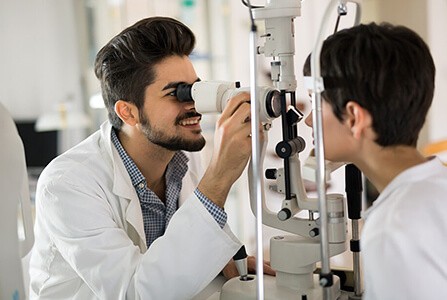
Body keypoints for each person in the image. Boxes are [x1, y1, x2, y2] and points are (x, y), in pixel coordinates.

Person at [29, 16, 273, 299]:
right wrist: (218, 178)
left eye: (195, 88)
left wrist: (220, 260)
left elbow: (185, 244)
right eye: (177, 93)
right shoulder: (67, 185)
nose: (194, 105)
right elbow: (135, 292)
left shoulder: (182, 157)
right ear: (128, 112)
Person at [303, 22, 447, 299]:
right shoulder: (437, 185)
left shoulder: (393, 229)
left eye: (314, 102)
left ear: (354, 117)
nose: (309, 120)